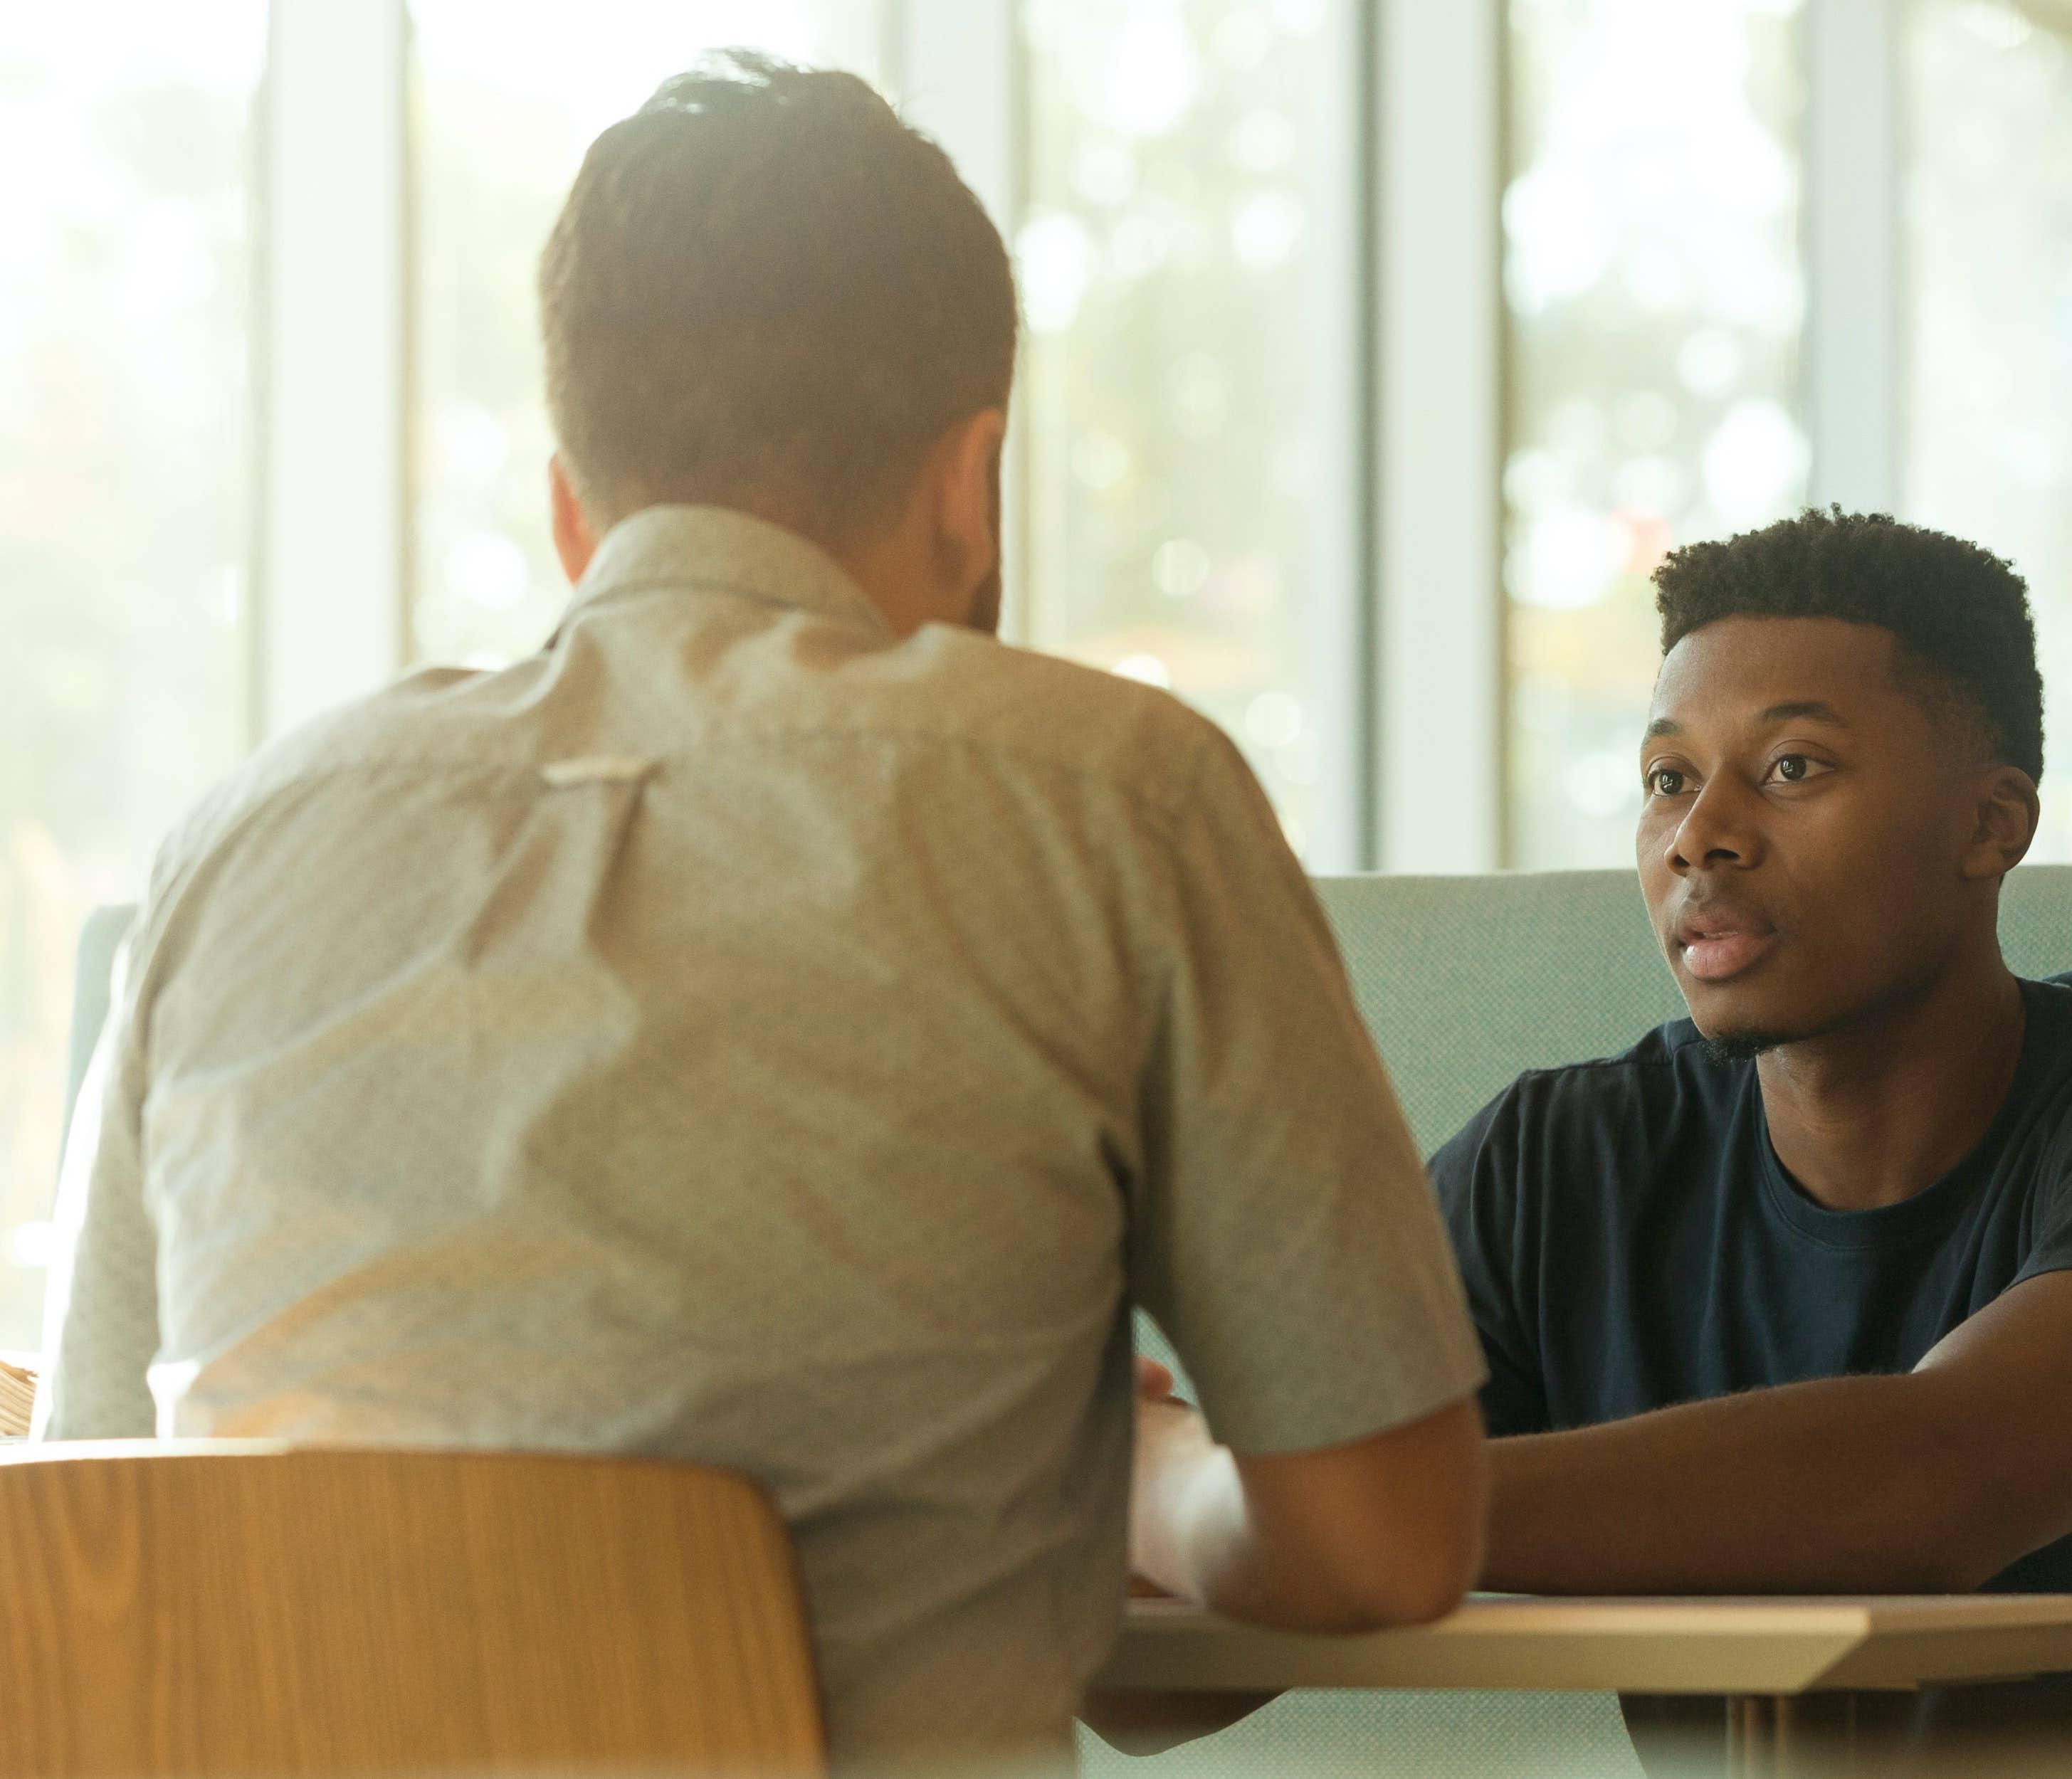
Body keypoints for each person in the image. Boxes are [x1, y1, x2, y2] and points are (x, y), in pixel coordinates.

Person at [38, 56, 1486, 1775]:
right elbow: (1383, 1541)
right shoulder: (1113, 793)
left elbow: (84, 1520)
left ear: (573, 507)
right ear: (972, 482)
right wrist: (1150, 1476)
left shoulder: (236, 842)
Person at [1433, 509, 2072, 1760]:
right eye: (1668, 778)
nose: (1697, 835)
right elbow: (1158, 1691)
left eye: (1791, 770)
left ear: (1992, 825)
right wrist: (1150, 1489)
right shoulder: (1551, 1165)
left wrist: (1305, 1509)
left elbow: (1932, 1488)